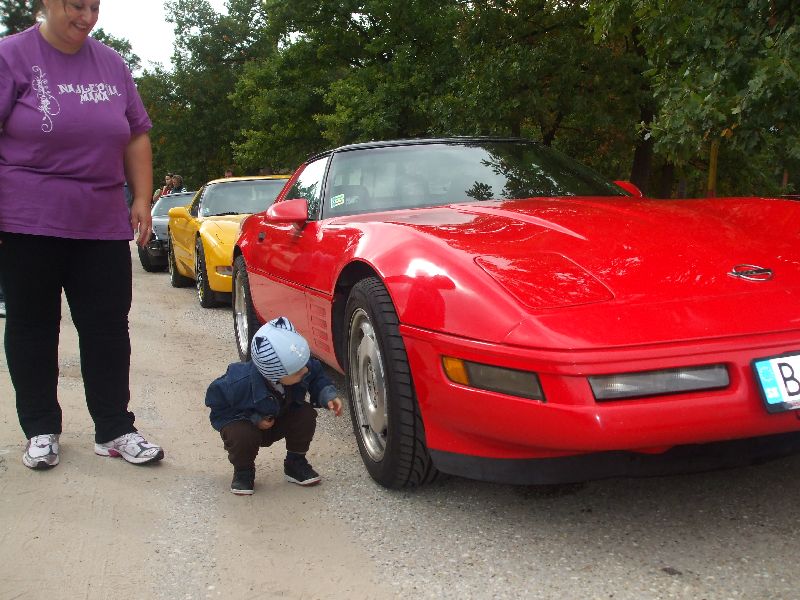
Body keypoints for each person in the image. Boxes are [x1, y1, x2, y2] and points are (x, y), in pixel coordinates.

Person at [0, 0, 164, 470]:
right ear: (48, 3)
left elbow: (136, 133)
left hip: (100, 219)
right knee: (33, 325)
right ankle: (40, 429)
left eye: (95, 6)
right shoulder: (11, 55)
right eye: (77, 5)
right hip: (27, 218)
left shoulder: (111, 63)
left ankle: (114, 429)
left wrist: (141, 196)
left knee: (108, 327)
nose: (87, 17)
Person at [205, 317, 343, 495]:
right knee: (240, 434)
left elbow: (316, 376)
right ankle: (243, 471)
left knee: (305, 414)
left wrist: (327, 395)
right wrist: (253, 418)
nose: (305, 371)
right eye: (298, 371)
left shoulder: (298, 365)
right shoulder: (237, 383)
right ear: (275, 374)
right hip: (247, 424)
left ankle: (295, 462)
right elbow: (218, 407)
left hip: (279, 416)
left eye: (304, 365)